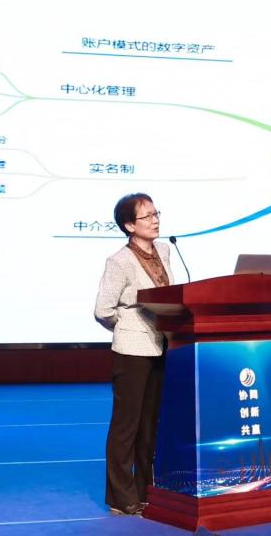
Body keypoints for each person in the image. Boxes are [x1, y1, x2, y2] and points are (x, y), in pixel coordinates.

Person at [94, 193, 174, 516]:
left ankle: (145, 490)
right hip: (131, 350)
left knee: (150, 424)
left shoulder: (165, 250)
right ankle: (120, 496)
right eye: (147, 216)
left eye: (156, 213)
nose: (155, 220)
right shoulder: (119, 261)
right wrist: (127, 326)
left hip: (161, 345)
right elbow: (102, 310)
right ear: (129, 225)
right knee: (126, 426)